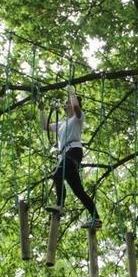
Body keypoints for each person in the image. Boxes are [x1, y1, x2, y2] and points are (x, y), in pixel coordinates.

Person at [43, 85, 101, 228]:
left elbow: (76, 107)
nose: (66, 104)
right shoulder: (62, 124)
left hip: (73, 151)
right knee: (78, 191)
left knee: (57, 175)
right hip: (65, 155)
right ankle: (96, 218)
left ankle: (60, 205)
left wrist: (72, 93)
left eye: (68, 102)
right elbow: (45, 126)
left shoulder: (78, 118)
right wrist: (41, 108)